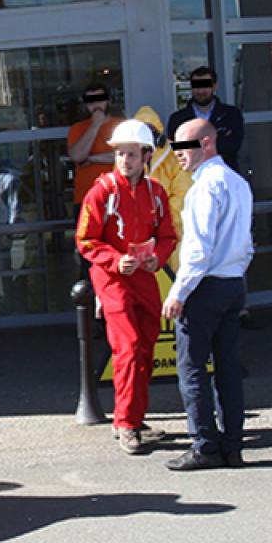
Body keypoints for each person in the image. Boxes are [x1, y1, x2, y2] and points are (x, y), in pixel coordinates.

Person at [75, 120, 179, 455]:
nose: (124, 160)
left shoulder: (156, 192)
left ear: (146, 155)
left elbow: (167, 237)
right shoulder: (101, 191)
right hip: (112, 278)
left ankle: (134, 414)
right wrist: (115, 260)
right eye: (120, 153)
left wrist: (157, 259)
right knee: (130, 347)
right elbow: (85, 240)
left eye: (131, 154)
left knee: (146, 346)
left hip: (144, 276)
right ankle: (126, 423)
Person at [161, 119, 255, 471]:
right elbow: (246, 243)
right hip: (232, 282)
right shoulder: (238, 183)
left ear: (207, 144)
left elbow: (198, 251)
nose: (178, 155)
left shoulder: (203, 189)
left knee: (193, 368)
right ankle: (233, 444)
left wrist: (178, 292)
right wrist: (236, 273)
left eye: (183, 147)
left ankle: (204, 444)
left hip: (205, 286)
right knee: (228, 367)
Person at [135, 106, 190, 271]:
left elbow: (183, 196)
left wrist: (159, 223)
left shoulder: (175, 156)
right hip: (139, 239)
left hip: (174, 237)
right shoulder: (127, 159)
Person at [168, 66, 244, 171]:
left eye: (205, 86)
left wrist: (191, 145)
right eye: (196, 86)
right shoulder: (178, 119)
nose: (200, 91)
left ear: (214, 86)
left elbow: (232, 145)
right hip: (188, 179)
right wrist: (214, 142)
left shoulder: (231, 114)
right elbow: (176, 149)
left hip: (224, 173)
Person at [66, 84, 123, 208]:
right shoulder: (77, 128)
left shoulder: (122, 125)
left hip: (119, 196)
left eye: (100, 99)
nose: (96, 105)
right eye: (91, 102)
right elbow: (77, 156)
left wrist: (91, 159)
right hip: (86, 197)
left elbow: (123, 156)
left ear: (109, 100)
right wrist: (95, 125)